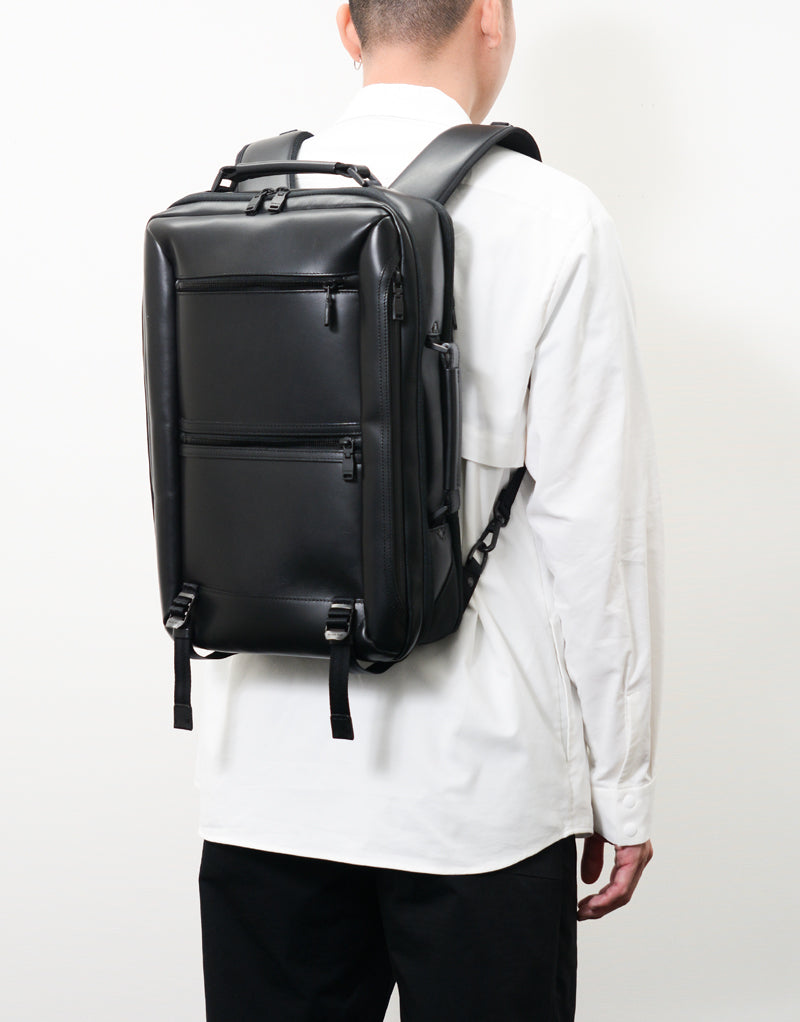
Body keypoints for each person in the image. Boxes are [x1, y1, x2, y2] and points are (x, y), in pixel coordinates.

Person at [195, 1, 664, 1019]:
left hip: (263, 791)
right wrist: (620, 787)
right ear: (489, 17)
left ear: (347, 27)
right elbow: (599, 539)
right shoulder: (552, 218)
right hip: (475, 796)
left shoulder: (238, 207)